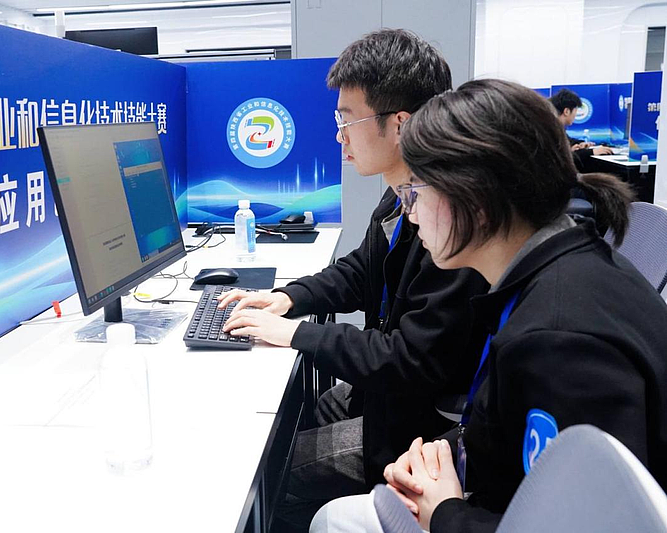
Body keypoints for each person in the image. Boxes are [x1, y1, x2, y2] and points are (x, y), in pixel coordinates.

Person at [311, 79, 667, 533]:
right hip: (488, 487)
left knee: (332, 520)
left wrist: (445, 511)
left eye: (416, 192)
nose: (411, 212)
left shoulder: (557, 340)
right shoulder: (555, 266)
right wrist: (444, 451)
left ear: (476, 201)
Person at [218, 29, 489, 530]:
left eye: (348, 120)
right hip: (390, 393)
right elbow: (362, 269)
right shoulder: (401, 192)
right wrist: (286, 299)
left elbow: (413, 360)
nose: (340, 135)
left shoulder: (448, 221)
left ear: (400, 124)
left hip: (419, 427)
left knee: (271, 473)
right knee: (317, 406)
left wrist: (297, 335)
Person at [549, 88, 613, 167]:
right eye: (575, 111)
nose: (575, 115)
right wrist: (592, 152)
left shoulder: (555, 126)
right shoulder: (551, 130)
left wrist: (580, 143)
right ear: (567, 111)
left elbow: (568, 140)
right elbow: (561, 157)